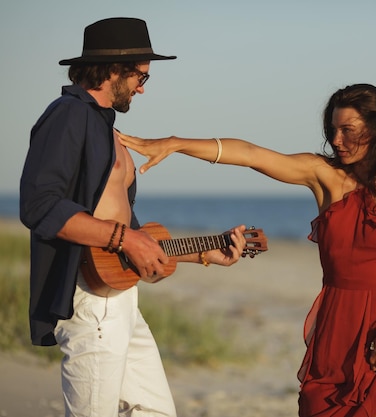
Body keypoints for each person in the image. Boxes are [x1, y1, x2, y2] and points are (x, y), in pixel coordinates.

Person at [120, 83, 376, 417]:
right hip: (334, 332)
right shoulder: (325, 176)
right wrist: (176, 144)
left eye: (348, 130)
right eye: (333, 131)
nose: (336, 141)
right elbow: (250, 155)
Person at [19, 17, 247, 417]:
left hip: (121, 296)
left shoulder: (108, 130)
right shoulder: (68, 115)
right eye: (141, 76)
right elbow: (39, 205)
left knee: (154, 411)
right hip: (90, 300)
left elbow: (135, 236)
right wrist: (124, 240)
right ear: (112, 71)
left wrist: (206, 252)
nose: (142, 87)